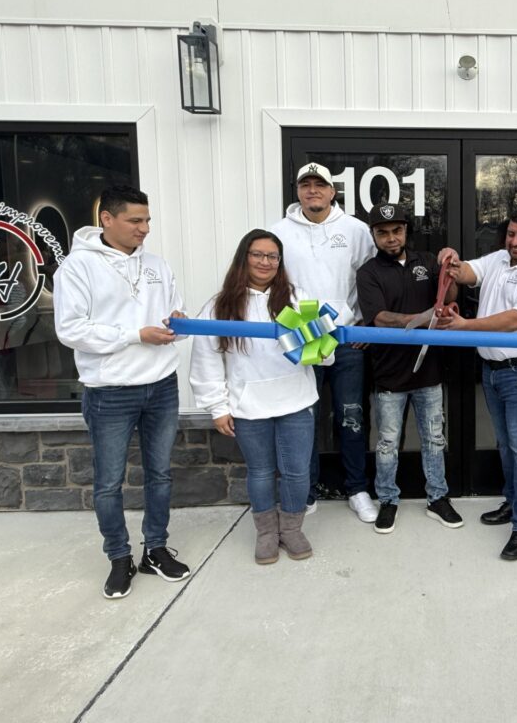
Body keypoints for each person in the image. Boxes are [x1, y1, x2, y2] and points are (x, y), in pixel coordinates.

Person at [53, 185, 190, 599]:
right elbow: (71, 330)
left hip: (161, 385)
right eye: (135, 220)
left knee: (160, 474)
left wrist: (177, 321)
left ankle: (155, 550)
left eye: (147, 220)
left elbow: (172, 311)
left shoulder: (157, 265)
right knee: (109, 483)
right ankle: (118, 557)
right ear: (107, 219)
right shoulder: (77, 267)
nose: (144, 229)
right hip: (109, 391)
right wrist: (136, 334)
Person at [437, 207, 517, 561]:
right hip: (493, 370)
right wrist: (452, 261)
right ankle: (513, 503)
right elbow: (468, 272)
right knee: (508, 445)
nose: (515, 241)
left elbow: (515, 320)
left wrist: (465, 326)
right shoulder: (499, 259)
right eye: (511, 234)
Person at [190, 230, 319, 564]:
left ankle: (291, 529)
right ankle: (266, 533)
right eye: (257, 254)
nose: (265, 262)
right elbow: (206, 359)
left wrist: (319, 342)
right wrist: (218, 407)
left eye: (273, 256)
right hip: (248, 405)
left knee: (297, 472)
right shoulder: (219, 306)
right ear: (243, 258)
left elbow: (322, 352)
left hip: (295, 400)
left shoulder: (297, 298)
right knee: (260, 472)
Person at [271, 162, 378, 523]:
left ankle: (357, 489)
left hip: (346, 338)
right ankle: (306, 489)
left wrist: (365, 323)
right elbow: (272, 282)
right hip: (303, 336)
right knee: (305, 417)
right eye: (306, 184)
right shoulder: (278, 232)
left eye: (320, 184)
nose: (313, 190)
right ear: (298, 191)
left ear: (333, 191)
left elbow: (371, 278)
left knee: (351, 415)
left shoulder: (356, 230)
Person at [355, 203, 464, 534]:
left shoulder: (427, 262)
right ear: (374, 235)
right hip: (389, 372)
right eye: (383, 233)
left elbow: (449, 295)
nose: (391, 238)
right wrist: (420, 319)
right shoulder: (368, 272)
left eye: (397, 231)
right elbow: (379, 317)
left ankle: (437, 498)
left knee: (434, 438)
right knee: (388, 442)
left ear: (406, 231)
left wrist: (449, 271)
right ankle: (388, 499)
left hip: (429, 370)